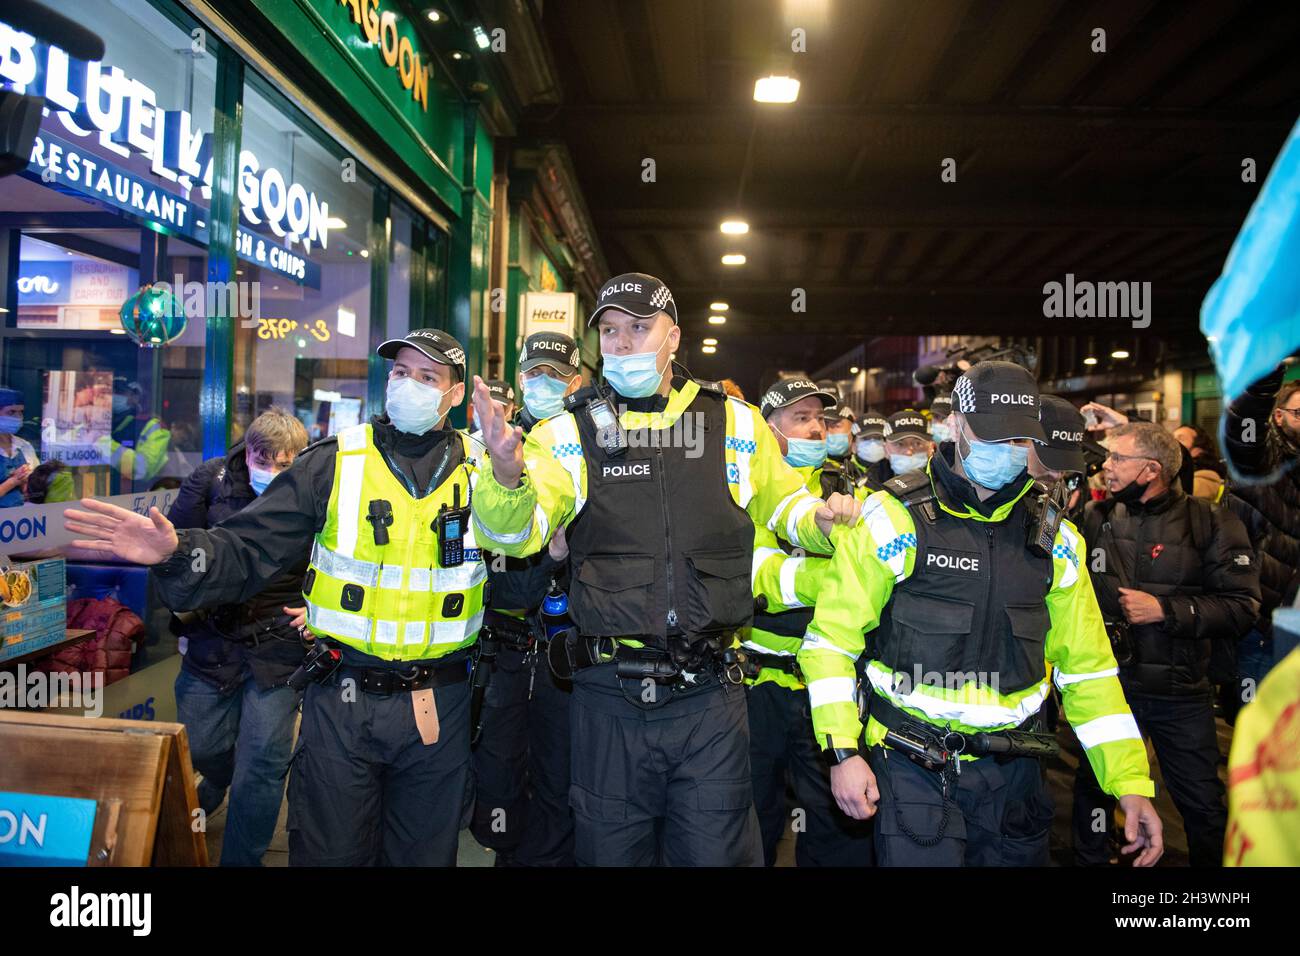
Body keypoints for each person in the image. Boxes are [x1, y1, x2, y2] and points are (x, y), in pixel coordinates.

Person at [470, 272, 861, 867]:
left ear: (673, 337)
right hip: (607, 695)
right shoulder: (564, 432)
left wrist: (824, 521)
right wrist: (503, 473)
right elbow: (513, 532)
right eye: (609, 331)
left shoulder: (734, 422)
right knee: (612, 853)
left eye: (638, 328)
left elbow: (787, 506)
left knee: (716, 854)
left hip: (710, 695)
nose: (622, 343)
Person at [66, 328, 489, 866]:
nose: (409, 385)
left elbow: (517, 574)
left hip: (439, 703)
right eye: (401, 373)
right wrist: (177, 553)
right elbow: (248, 546)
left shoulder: (485, 470)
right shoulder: (337, 460)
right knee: (329, 851)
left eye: (428, 377)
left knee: (424, 854)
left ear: (455, 395)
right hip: (343, 698)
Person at [799, 361, 1164, 867]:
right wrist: (842, 751)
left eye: (1019, 439)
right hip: (912, 765)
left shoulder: (1056, 539)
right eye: (994, 435)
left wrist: (1128, 783)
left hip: (1017, 775)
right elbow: (831, 644)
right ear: (958, 426)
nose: (1007, 450)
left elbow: (1088, 672)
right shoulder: (893, 519)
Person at [1072, 421, 1259, 867]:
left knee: (1201, 805)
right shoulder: (1096, 519)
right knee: (1093, 795)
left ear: (1151, 470)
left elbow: (1241, 607)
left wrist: (1166, 610)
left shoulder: (1211, 521)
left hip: (1181, 693)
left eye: (1118, 458)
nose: (1107, 467)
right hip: (1112, 692)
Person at [168, 408, 311, 866]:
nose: (272, 471)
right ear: (246, 453)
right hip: (214, 633)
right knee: (204, 743)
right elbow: (172, 548)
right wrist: (181, 612)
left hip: (280, 642)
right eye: (263, 460)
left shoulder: (317, 489)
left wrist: (317, 606)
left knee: (264, 765)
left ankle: (241, 860)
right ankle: (218, 778)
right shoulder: (209, 483)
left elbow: (337, 552)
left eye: (285, 464)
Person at [746, 378, 874, 866]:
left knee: (836, 826)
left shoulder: (848, 495)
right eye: (802, 418)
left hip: (827, 693)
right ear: (769, 430)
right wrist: (833, 579)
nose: (818, 429)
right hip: (756, 687)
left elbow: (868, 578)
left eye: (821, 419)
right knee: (752, 820)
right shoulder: (747, 490)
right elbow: (758, 581)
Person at [471, 331, 583, 867]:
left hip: (567, 654)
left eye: (556, 376)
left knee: (560, 784)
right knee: (500, 784)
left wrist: (562, 560)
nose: (543, 384)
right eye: (533, 373)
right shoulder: (491, 449)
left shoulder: (591, 448)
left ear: (577, 382)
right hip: (503, 648)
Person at [1223, 367, 1300, 682]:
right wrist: (1261, 385)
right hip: (1263, 624)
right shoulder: (1261, 458)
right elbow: (1243, 429)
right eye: (1299, 412)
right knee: (1261, 724)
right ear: (1278, 417)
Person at [103, 377, 171, 485]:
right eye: (111, 392)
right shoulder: (104, 420)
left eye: (120, 392)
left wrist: (103, 444)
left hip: (135, 497)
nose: (113, 396)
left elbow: (143, 470)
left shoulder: (154, 426)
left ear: (136, 397)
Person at [0, 386, 37, 507]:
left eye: (20, 412)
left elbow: (33, 492)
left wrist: (25, 481)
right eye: (11, 412)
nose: (18, 417)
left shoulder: (24, 446)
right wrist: (13, 481)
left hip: (20, 520)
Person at [882, 408, 935, 479]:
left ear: (931, 447)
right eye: (900, 444)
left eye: (917, 443)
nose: (909, 452)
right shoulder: (870, 482)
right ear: (885, 449)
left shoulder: (946, 483)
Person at [850, 409, 889, 491]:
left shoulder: (894, 471)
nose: (872, 443)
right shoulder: (846, 472)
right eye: (865, 438)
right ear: (854, 444)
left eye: (878, 438)